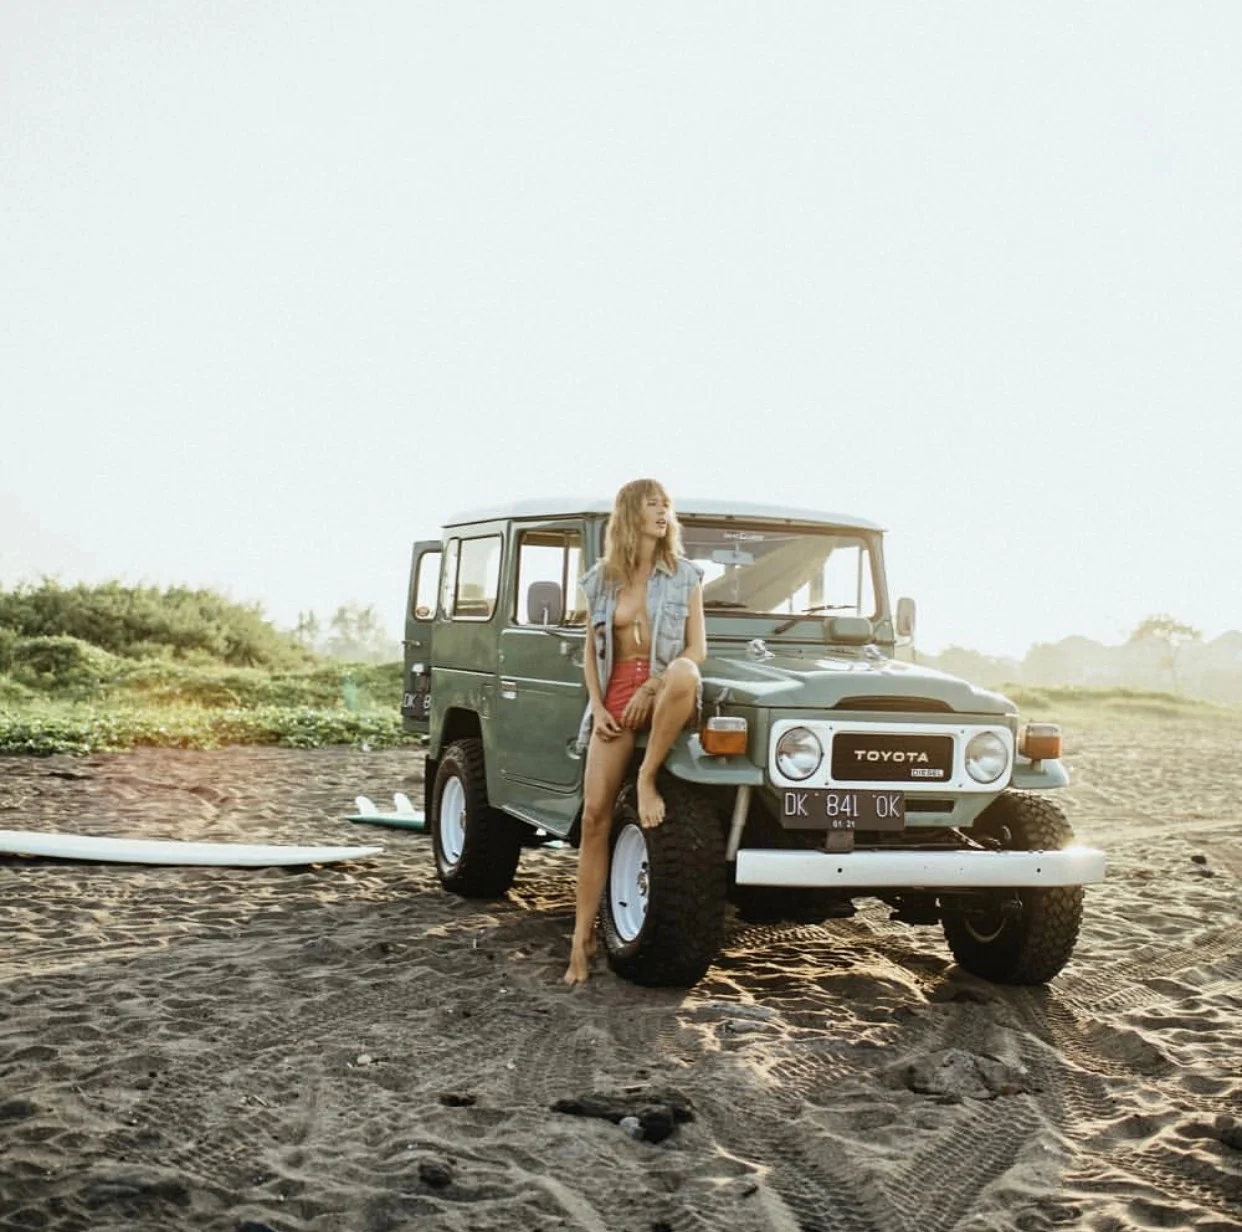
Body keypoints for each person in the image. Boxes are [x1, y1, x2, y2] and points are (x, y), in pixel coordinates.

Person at [563, 479, 707, 985]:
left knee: (687, 674)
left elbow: (696, 651)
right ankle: (581, 940)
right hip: (617, 696)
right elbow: (591, 650)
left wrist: (659, 681)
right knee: (596, 817)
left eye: (666, 505)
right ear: (630, 514)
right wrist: (600, 706)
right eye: (652, 505)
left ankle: (646, 777)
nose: (662, 512)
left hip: (665, 691)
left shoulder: (685, 576)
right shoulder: (602, 580)